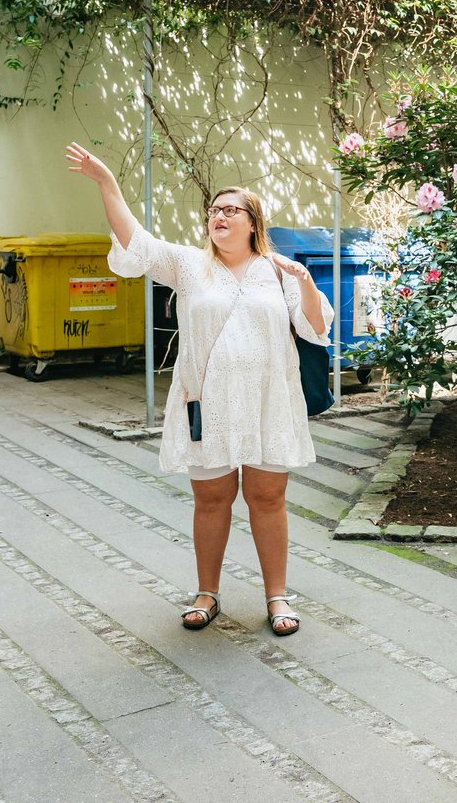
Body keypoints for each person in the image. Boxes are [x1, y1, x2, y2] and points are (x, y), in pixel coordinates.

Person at [66, 143, 333, 636]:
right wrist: (107, 182)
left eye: (231, 210)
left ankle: (277, 596)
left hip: (268, 402)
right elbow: (136, 240)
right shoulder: (189, 265)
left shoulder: (278, 270)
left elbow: (315, 329)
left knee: (268, 498)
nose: (219, 217)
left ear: (253, 222)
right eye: (214, 210)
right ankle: (206, 592)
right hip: (206, 403)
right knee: (211, 500)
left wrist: (308, 283)